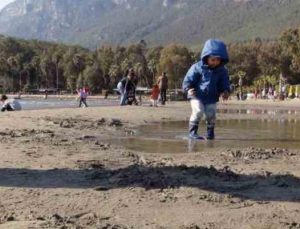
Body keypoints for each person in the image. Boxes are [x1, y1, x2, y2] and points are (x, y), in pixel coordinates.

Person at [182, 39, 230, 140]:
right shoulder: (197, 67)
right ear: (206, 57)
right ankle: (192, 133)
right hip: (196, 95)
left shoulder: (222, 71)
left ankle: (210, 134)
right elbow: (188, 80)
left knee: (211, 115)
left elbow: (224, 83)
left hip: (212, 97)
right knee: (198, 111)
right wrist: (187, 89)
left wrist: (225, 91)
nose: (215, 62)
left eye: (218, 60)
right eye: (213, 60)